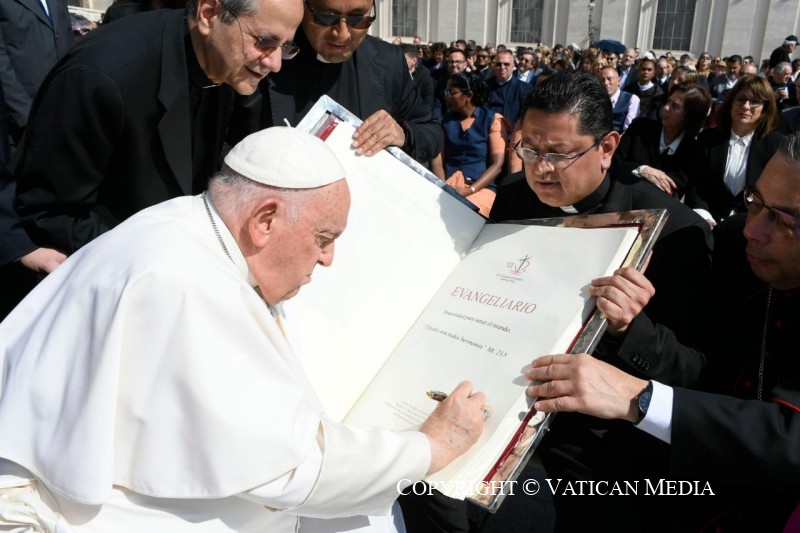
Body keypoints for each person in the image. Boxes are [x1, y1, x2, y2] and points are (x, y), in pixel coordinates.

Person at [0, 127, 488, 532]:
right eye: (323, 238)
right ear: (265, 220)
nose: (327, 258)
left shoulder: (180, 224)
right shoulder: (191, 284)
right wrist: (430, 446)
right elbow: (288, 468)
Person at [526, 133, 800, 531]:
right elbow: (693, 362)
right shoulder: (731, 244)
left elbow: (790, 440)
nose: (752, 229)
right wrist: (629, 325)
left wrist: (637, 396)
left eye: (782, 219)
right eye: (755, 200)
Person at [489, 71, 712, 531]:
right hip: (510, 391)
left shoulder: (677, 231)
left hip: (604, 436)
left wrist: (633, 327)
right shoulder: (512, 199)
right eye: (529, 150)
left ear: (607, 147)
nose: (540, 169)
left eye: (559, 154)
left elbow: (695, 371)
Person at [4, 0, 302, 317]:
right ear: (209, 14)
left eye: (287, 47)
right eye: (265, 42)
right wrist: (165, 265)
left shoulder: (228, 61)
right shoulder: (103, 77)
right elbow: (51, 213)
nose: (275, 63)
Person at [237, 0, 441, 164]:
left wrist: (402, 133)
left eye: (357, 19)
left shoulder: (389, 61)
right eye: (326, 17)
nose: (342, 34)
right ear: (303, 8)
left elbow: (432, 134)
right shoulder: (264, 54)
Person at [689, 74, 783, 224]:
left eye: (755, 101)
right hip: (708, 221)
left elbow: (777, 193)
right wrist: (705, 217)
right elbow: (696, 186)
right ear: (730, 103)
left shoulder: (775, 144)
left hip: (754, 225)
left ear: (765, 108)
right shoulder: (708, 138)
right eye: (740, 99)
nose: (745, 106)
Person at [430, 72, 507, 217]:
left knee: (466, 214)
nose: (446, 96)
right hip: (449, 184)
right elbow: (437, 159)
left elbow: (497, 165)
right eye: (446, 92)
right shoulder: (444, 121)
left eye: (451, 92)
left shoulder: (493, 120)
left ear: (468, 95)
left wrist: (471, 189)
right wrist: (442, 187)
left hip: (481, 187)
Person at [616, 82, 710, 199]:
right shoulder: (640, 128)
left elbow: (673, 186)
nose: (666, 108)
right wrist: (641, 170)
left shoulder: (693, 150)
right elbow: (616, 161)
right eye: (668, 101)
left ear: (690, 115)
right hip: (621, 197)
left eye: (675, 106)